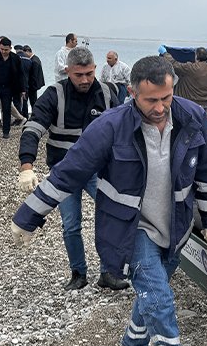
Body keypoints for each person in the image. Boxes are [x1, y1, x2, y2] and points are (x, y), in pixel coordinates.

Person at [11, 55, 207, 346]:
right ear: (131, 92)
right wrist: (28, 217)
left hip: (176, 225)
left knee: (155, 291)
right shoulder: (109, 127)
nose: (159, 108)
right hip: (131, 228)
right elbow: (69, 173)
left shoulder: (193, 117)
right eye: (150, 100)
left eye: (166, 98)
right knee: (159, 297)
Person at [17, 47, 128, 291]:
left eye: (89, 73)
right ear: (68, 71)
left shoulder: (108, 94)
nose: (85, 80)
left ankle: (109, 272)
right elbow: (33, 128)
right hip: (64, 172)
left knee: (114, 215)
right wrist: (27, 165)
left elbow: (125, 130)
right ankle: (78, 273)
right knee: (71, 223)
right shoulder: (54, 95)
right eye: (79, 75)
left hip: (99, 171)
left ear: (96, 69)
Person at [160, 46, 207, 112]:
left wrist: (165, 53)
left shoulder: (189, 68)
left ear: (196, 56)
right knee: (202, 120)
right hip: (206, 104)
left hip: (189, 103)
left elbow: (173, 63)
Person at [22, 45, 46, 116]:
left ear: (27, 52)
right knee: (33, 101)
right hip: (35, 85)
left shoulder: (34, 61)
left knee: (32, 101)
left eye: (24, 54)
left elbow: (34, 76)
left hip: (32, 85)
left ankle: (34, 115)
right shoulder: (36, 58)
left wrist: (28, 86)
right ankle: (35, 115)